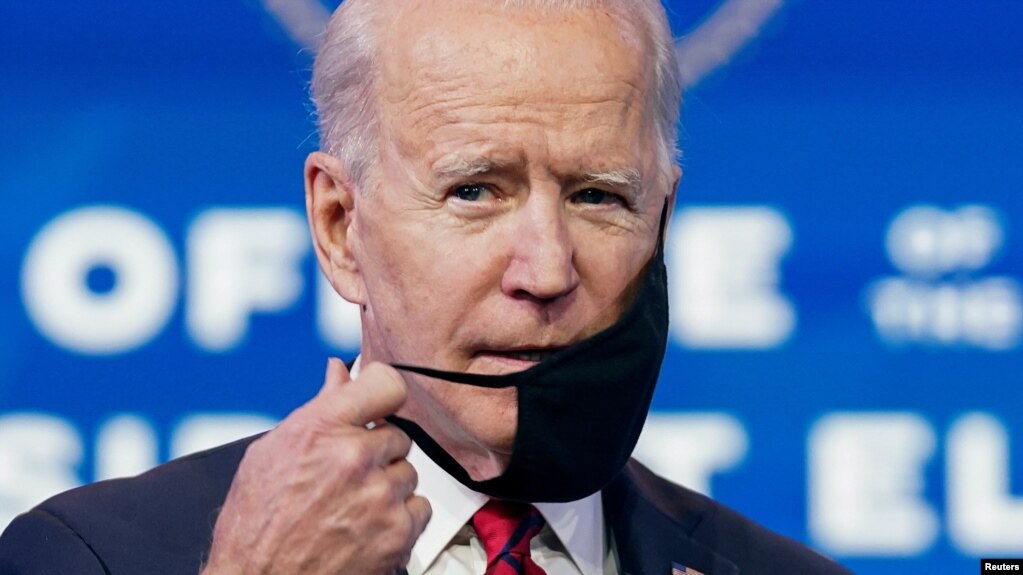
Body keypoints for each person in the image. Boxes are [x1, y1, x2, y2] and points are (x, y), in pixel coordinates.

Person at [0, 0, 851, 573]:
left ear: (660, 222)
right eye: (475, 190)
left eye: (598, 196)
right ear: (339, 227)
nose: (547, 270)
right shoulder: (88, 557)